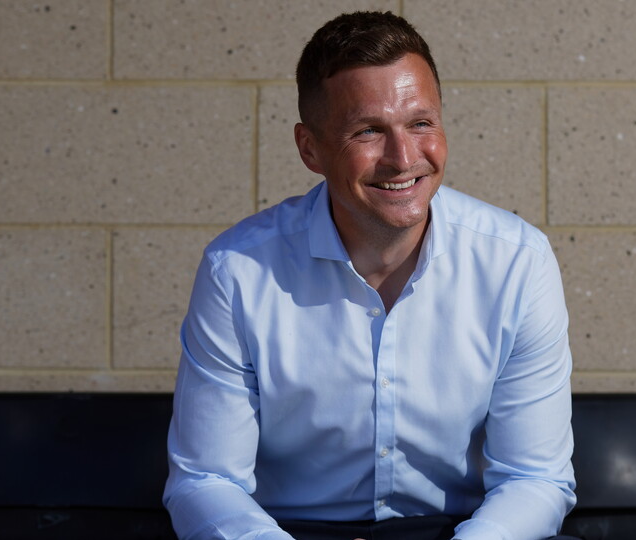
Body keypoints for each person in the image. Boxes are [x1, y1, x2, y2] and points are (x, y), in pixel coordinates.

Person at [163, 11, 577, 540]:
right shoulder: (237, 273)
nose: (403, 158)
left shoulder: (517, 262)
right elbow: (206, 480)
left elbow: (533, 478)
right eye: (368, 131)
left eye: (421, 123)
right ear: (309, 148)